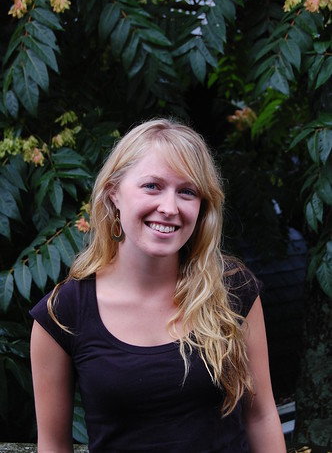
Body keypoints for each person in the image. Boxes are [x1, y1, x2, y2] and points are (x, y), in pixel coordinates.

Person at [30, 118, 286, 453]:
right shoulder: (63, 313)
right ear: (113, 194)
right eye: (152, 186)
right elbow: (53, 446)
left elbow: (261, 415)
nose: (169, 208)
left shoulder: (232, 290)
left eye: (187, 192)